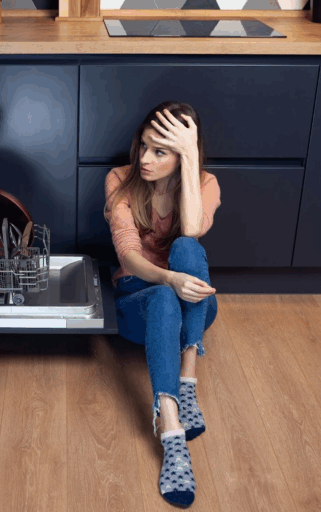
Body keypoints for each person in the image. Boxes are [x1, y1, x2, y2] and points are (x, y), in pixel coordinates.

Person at [103, 101, 221, 508]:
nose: (144, 160)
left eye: (160, 151)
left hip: (191, 303)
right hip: (139, 302)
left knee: (188, 246)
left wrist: (190, 158)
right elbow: (129, 258)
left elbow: (190, 231)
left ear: (186, 153)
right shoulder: (120, 180)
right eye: (144, 147)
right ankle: (172, 434)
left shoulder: (206, 184)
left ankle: (187, 384)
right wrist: (168, 278)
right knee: (165, 295)